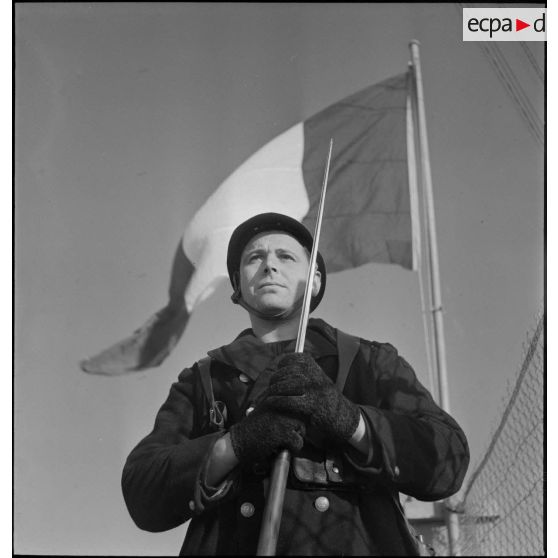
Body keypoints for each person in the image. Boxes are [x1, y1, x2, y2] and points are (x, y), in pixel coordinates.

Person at [121, 212, 470, 556]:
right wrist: (236, 444)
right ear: (237, 285)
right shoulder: (205, 378)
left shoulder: (371, 361)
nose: (269, 266)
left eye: (285, 256)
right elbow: (143, 492)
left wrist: (348, 419)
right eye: (254, 258)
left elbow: (447, 461)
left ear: (314, 279)